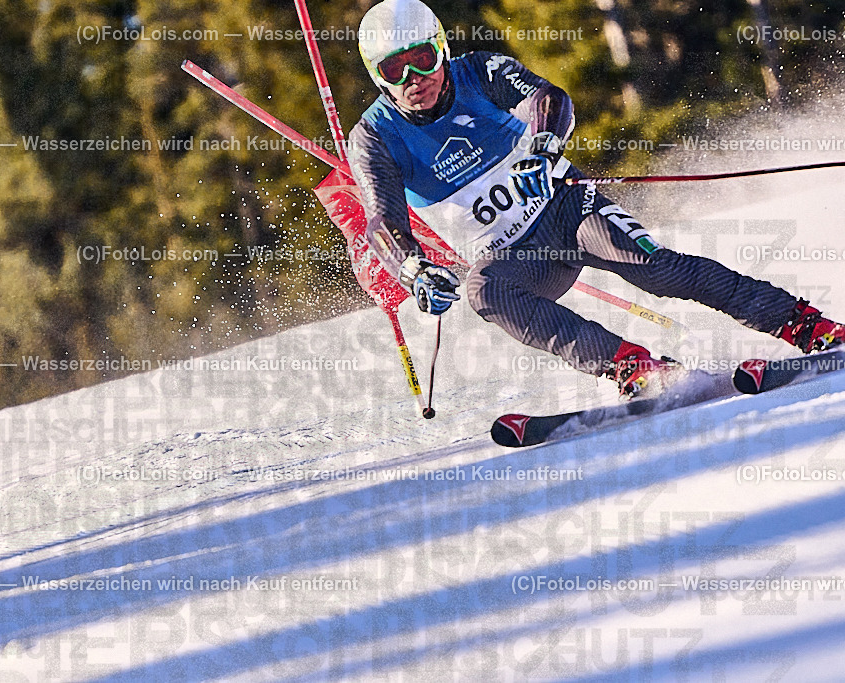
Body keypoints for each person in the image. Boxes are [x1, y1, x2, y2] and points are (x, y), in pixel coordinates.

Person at [347, 0, 844, 398]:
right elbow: (383, 223)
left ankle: (805, 325)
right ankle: (633, 365)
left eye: (423, 59)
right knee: (484, 292)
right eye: (395, 70)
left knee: (657, 268)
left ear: (442, 48)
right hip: (515, 256)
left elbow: (550, 99)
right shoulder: (374, 136)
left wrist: (540, 150)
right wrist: (412, 272)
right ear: (377, 76)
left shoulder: (480, 72)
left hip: (566, 207)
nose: (415, 80)